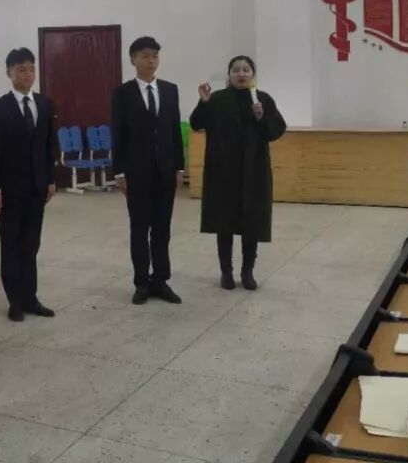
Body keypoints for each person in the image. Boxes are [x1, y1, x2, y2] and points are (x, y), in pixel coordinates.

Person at [190, 56, 286, 291]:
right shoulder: (217, 99)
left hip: (253, 171)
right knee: (224, 222)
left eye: (245, 70)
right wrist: (203, 103)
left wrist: (261, 118)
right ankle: (226, 271)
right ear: (229, 74)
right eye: (236, 70)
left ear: (252, 74)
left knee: (251, 222)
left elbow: (276, 130)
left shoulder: (262, 99)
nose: (241, 74)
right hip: (222, 171)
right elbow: (196, 123)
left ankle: (247, 271)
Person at [111, 37, 184, 306]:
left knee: (162, 228)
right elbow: (118, 134)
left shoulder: (170, 90)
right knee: (140, 228)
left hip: (165, 170)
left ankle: (161, 279)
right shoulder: (122, 93)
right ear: (132, 59)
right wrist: (119, 172)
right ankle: (141, 282)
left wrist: (179, 167)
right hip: (136, 172)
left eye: (154, 56)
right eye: (144, 56)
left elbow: (174, 131)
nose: (151, 61)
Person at [0, 48, 59, 322]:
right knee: (11, 243)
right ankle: (14, 301)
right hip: (10, 188)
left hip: (38, 186)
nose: (28, 74)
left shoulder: (44, 104)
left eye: (31, 68)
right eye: (21, 69)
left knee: (31, 244)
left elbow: (49, 145)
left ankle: (31, 297)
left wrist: (50, 179)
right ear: (9, 73)